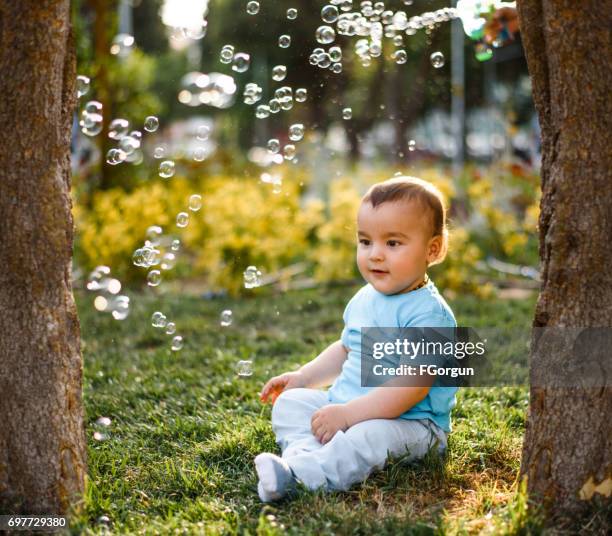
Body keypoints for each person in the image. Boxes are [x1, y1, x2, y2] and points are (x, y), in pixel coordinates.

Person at [255, 176, 457, 502]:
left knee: (368, 435)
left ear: (432, 249)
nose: (375, 254)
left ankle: (300, 477)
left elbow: (412, 388)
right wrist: (304, 377)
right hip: (348, 406)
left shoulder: (430, 316)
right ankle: (301, 457)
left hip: (412, 424)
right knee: (292, 403)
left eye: (393, 243)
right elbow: (346, 349)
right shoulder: (366, 297)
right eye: (365, 242)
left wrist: (348, 415)